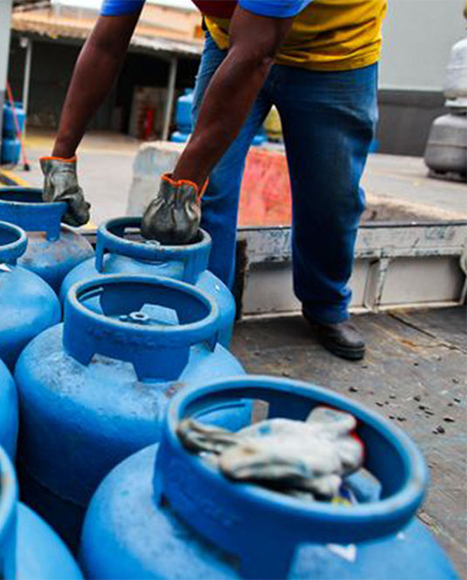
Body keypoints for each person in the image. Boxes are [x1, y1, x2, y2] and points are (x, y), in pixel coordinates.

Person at [41, 0, 386, 361]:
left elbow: (256, 56)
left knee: (329, 198)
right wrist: (61, 159)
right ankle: (207, 311)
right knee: (212, 191)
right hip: (233, 41)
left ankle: (326, 306)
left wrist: (180, 187)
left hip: (336, 51)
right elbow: (106, 44)